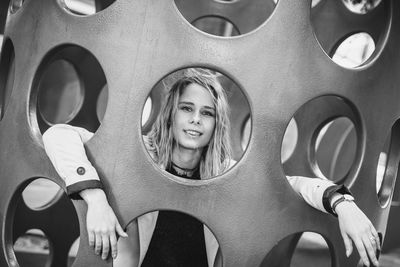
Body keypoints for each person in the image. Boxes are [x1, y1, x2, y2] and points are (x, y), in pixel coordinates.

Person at [42, 68, 380, 267]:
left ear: (217, 122)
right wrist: (95, 200)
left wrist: (343, 203)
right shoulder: (138, 156)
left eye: (207, 113)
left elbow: (291, 184)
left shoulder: (226, 173)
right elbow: (59, 134)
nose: (195, 120)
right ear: (171, 113)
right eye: (186, 108)